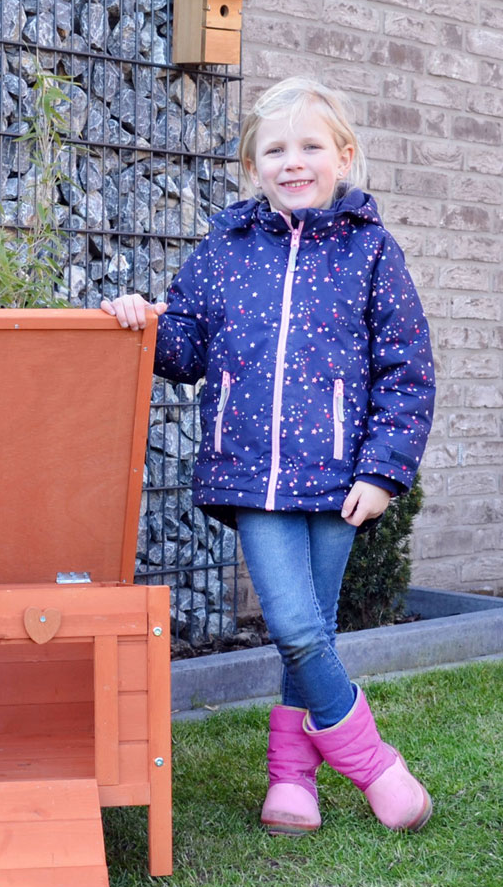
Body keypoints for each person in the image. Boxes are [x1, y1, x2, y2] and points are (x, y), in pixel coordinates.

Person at [102, 77, 435, 836]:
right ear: (252, 164)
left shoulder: (372, 253)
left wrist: (384, 473)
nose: (293, 161)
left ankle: (291, 783)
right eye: (275, 149)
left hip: (343, 476)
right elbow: (184, 345)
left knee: (306, 633)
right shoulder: (226, 248)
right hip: (253, 474)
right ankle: (375, 762)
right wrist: (143, 322)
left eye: (310, 146)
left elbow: (406, 370)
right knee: (297, 625)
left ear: (343, 156)